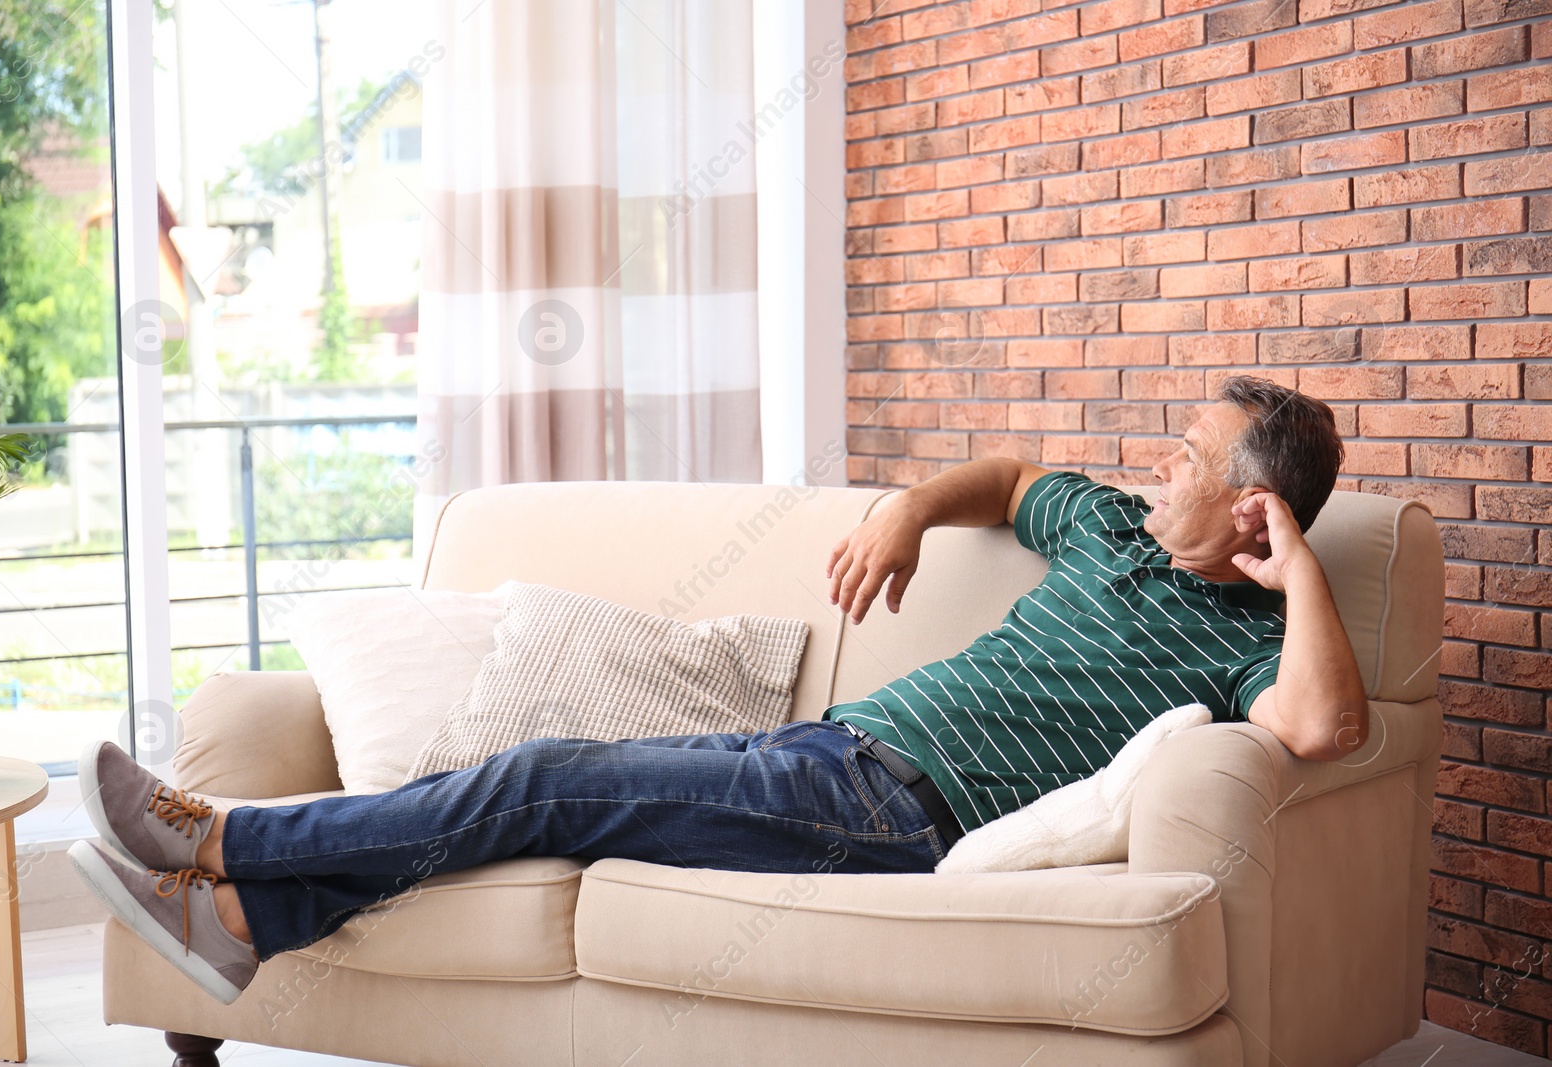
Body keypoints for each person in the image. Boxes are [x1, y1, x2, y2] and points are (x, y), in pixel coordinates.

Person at [68, 375, 1367, 1005]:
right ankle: (246, 922)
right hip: (831, 756)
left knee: (546, 778)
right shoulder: (1120, 532)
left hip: (892, 814)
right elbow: (1017, 480)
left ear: (1250, 506)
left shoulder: (1247, 639)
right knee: (543, 796)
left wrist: (1296, 563)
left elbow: (1321, 725)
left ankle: (223, 842)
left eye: (1189, 458)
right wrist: (912, 510)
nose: (1158, 464)